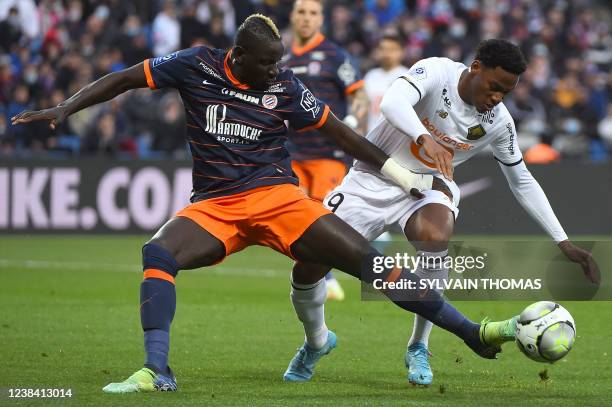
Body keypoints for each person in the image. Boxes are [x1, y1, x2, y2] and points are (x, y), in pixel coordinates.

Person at [13, 15, 518, 394]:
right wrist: (65, 106)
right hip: (215, 205)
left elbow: (345, 137)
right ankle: (156, 370)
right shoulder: (195, 65)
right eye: (269, 62)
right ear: (238, 56)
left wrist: (405, 177)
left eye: (281, 61)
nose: (279, 69)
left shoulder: (285, 87)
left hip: (280, 199)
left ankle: (470, 332)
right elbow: (124, 78)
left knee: (371, 264)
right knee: (158, 255)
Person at [284, 39, 599, 385]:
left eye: (505, 93)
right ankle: (317, 341)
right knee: (307, 267)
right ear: (475, 67)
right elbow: (392, 102)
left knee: (434, 237)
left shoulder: (498, 123)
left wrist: (562, 241)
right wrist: (422, 136)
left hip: (428, 186)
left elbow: (521, 181)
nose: (496, 98)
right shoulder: (436, 71)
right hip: (372, 176)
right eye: (494, 87)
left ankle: (419, 345)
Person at [286, 0, 370, 300]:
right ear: (292, 17)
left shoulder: (336, 55)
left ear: (321, 19)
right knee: (295, 218)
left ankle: (325, 275)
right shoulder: (280, 57)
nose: (307, 19)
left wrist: (350, 120)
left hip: (328, 153)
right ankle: (316, 277)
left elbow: (360, 96)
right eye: (301, 12)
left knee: (322, 215)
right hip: (291, 152)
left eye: (312, 13)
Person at [363, 32, 410, 133]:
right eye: (382, 49)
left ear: (402, 52)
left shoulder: (407, 77)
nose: (386, 53)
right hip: (372, 135)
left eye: (392, 49)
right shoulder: (370, 76)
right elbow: (364, 108)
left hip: (396, 137)